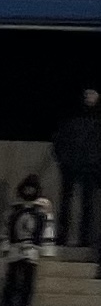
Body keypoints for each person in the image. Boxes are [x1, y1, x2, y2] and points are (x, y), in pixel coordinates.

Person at [52, 87, 101, 247]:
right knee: (66, 203)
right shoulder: (71, 120)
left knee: (88, 205)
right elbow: (59, 141)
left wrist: (95, 164)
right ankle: (62, 237)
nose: (90, 98)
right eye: (88, 95)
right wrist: (63, 160)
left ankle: (84, 239)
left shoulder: (97, 122)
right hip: (70, 166)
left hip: (90, 168)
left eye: (93, 96)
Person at [0, 176, 54, 306]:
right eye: (27, 188)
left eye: (31, 189)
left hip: (32, 249)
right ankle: (7, 302)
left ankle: (24, 303)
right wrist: (5, 245)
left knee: (28, 278)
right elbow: (5, 228)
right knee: (12, 276)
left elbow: (48, 229)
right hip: (15, 247)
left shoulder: (41, 211)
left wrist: (47, 250)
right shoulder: (14, 210)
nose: (29, 191)